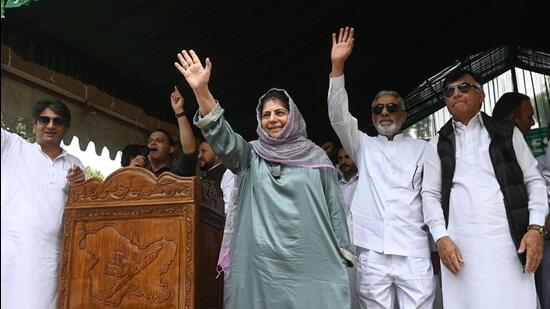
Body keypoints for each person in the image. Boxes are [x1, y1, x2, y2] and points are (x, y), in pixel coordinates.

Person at [175, 49, 354, 309]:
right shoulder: (249, 156)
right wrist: (202, 91)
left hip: (310, 260)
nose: (273, 119)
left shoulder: (317, 158)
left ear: (292, 117)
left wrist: (342, 249)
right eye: (266, 114)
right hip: (260, 266)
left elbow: (334, 208)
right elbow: (223, 139)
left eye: (280, 112)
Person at [421, 68, 548, 309]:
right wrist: (440, 237)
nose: (456, 93)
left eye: (464, 87)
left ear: (481, 95)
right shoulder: (437, 143)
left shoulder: (507, 133)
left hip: (510, 243)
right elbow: (430, 194)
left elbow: (534, 180)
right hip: (460, 250)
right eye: (449, 91)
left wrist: (535, 228)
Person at [328, 27, 434, 309]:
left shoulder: (424, 149)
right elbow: (339, 117)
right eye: (378, 109)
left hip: (414, 249)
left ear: (404, 113)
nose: (384, 112)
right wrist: (337, 67)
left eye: (391, 107)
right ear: (372, 117)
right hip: (373, 251)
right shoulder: (363, 146)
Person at [1, 99, 85, 308]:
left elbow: (83, 211)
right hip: (10, 252)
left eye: (57, 121)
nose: (50, 125)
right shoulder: (12, 147)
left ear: (65, 128)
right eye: (44, 120)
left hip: (50, 258)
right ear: (34, 125)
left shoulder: (75, 164)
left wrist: (81, 184)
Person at [146, 86, 197, 177]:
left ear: (171, 149)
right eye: (150, 141)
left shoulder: (179, 173)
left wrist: (179, 111)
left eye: (159, 140)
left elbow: (189, 150)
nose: (152, 143)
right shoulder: (140, 175)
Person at [336, 146, 360, 309]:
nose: (344, 162)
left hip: (364, 243)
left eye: (347, 157)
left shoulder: (366, 181)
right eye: (341, 159)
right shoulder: (336, 185)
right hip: (343, 245)